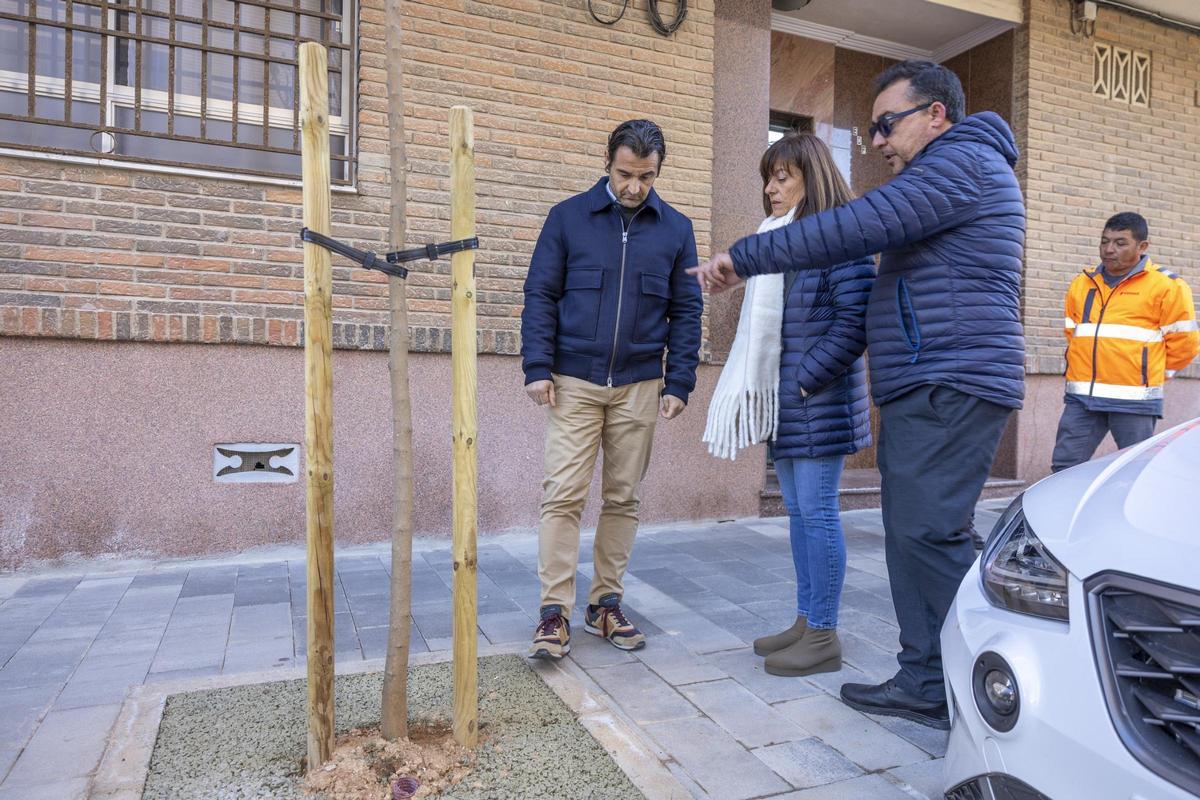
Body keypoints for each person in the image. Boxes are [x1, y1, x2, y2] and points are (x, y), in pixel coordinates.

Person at [690, 60, 1024, 729]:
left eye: (887, 124)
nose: (876, 141)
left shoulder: (963, 165)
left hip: (951, 378)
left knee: (929, 534)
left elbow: (853, 226)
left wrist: (743, 258)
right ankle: (926, 679)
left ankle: (1007, 676)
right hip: (926, 380)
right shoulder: (945, 170)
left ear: (936, 115)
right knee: (910, 535)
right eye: (870, 128)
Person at [520, 119, 703, 660]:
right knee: (564, 495)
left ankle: (605, 604)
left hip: (641, 385)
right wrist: (537, 366)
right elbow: (540, 295)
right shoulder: (568, 218)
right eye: (625, 174)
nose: (633, 186)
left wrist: (681, 380)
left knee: (623, 498)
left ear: (658, 171)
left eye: (646, 176)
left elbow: (688, 311)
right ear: (607, 162)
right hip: (573, 381)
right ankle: (554, 612)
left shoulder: (676, 229)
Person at [702, 133, 873, 677]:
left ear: (812, 176)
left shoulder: (841, 238)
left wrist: (802, 380)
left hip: (817, 398)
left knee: (818, 514)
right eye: (767, 179)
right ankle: (806, 621)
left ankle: (823, 635)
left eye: (782, 177)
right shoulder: (782, 241)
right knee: (799, 514)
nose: (771, 189)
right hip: (793, 400)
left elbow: (854, 324)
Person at [1051, 211, 1199, 472]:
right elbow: (1073, 335)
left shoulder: (1167, 286)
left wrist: (1149, 375)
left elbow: (1185, 343)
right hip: (1082, 400)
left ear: (1142, 247)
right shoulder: (1082, 284)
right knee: (1063, 469)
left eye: (1120, 243)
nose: (1109, 249)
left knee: (1134, 473)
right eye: (1104, 241)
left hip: (1135, 402)